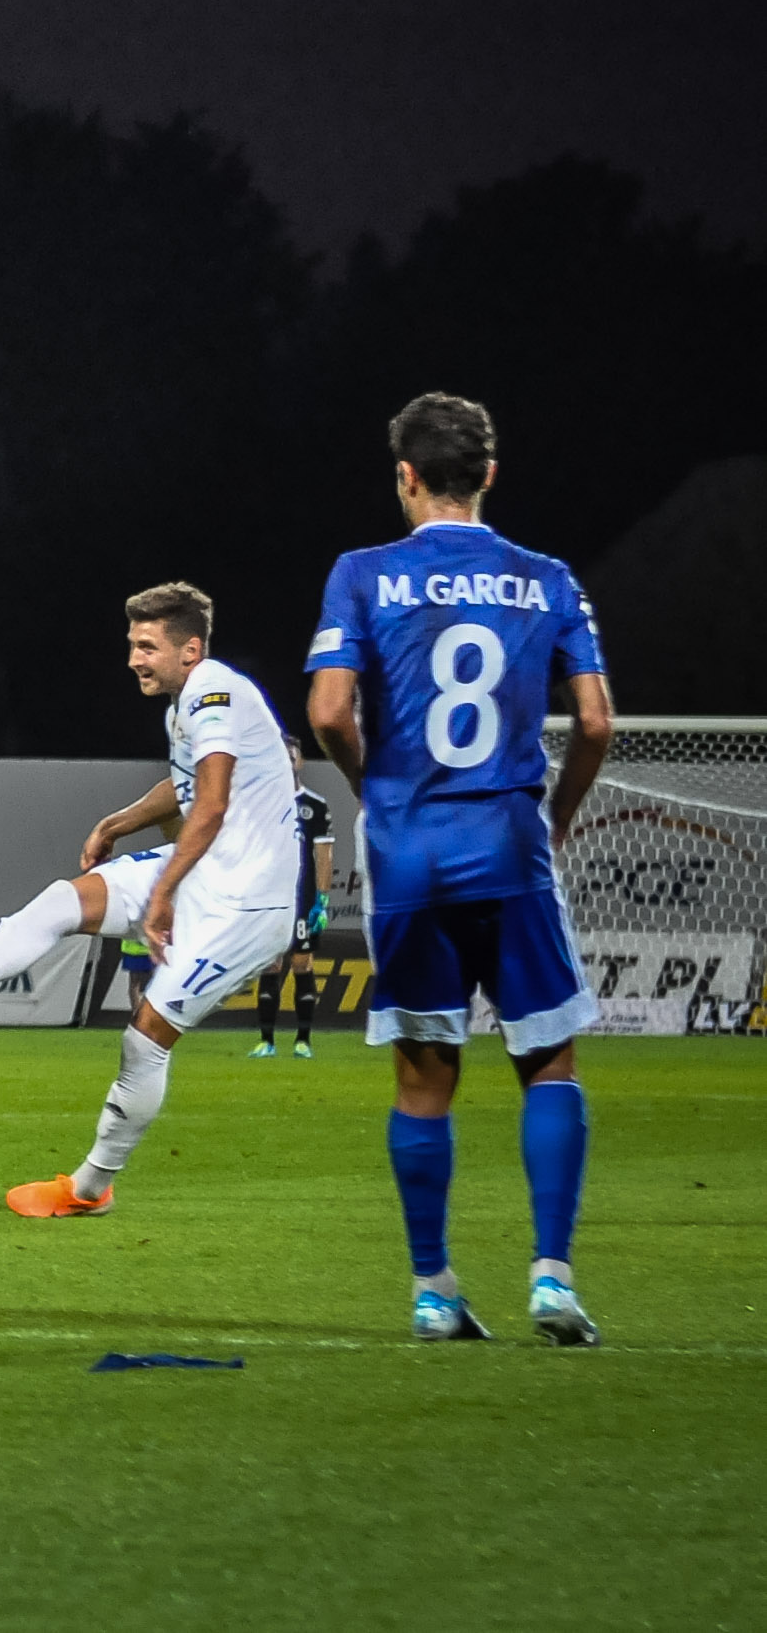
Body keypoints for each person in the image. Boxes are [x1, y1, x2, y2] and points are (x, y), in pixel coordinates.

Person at [305, 392, 610, 1346]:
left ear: (404, 476)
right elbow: (596, 721)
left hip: (409, 852)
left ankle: (435, 1292)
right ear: (487, 475)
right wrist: (553, 818)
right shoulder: (547, 578)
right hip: (509, 841)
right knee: (548, 1061)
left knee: (424, 1078)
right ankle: (551, 1280)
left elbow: (325, 712)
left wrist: (380, 789)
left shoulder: (361, 575)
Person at [0, 586, 305, 1216]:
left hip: (247, 905)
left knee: (146, 1039)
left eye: (146, 646)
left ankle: (89, 1188)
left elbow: (211, 803)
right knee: (62, 901)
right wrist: (117, 822)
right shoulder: (187, 703)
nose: (133, 658)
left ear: (190, 649)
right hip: (208, 871)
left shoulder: (214, 690)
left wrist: (162, 893)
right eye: (131, 644)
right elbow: (186, 785)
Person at [248, 792, 337, 1058]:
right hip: (270, 897)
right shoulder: (263, 798)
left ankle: (303, 1040)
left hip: (303, 897)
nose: (289, 759)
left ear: (300, 759)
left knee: (302, 963)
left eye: (293, 753)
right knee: (271, 963)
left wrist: (321, 899)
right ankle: (266, 1041)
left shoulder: (315, 805)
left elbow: (323, 856)